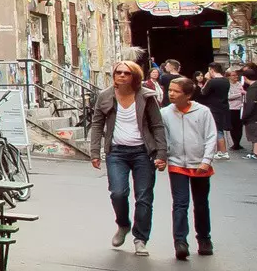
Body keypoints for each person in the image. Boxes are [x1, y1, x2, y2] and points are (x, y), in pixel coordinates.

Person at [91, 60, 168, 256]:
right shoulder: (105, 96)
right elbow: (97, 124)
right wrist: (94, 152)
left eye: (127, 73)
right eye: (119, 72)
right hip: (116, 152)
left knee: (143, 197)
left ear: (135, 76)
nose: (122, 76)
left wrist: (161, 153)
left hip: (143, 152)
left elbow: (157, 125)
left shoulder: (146, 96)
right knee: (118, 192)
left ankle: (140, 238)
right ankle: (123, 224)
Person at [160, 76, 217, 260]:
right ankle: (180, 241)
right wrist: (162, 157)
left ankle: (204, 238)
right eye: (170, 90)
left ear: (188, 95)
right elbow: (164, 138)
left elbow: (211, 137)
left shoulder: (203, 112)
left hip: (200, 163)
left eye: (176, 91)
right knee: (180, 203)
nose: (171, 94)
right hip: (177, 164)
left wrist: (206, 160)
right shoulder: (166, 113)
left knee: (200, 204)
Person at [198, 63, 234, 160]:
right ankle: (220, 151)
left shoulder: (212, 82)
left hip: (214, 108)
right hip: (224, 107)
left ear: (211, 70)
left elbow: (203, 92)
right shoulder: (226, 81)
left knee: (217, 130)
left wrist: (208, 80)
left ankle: (223, 152)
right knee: (220, 129)